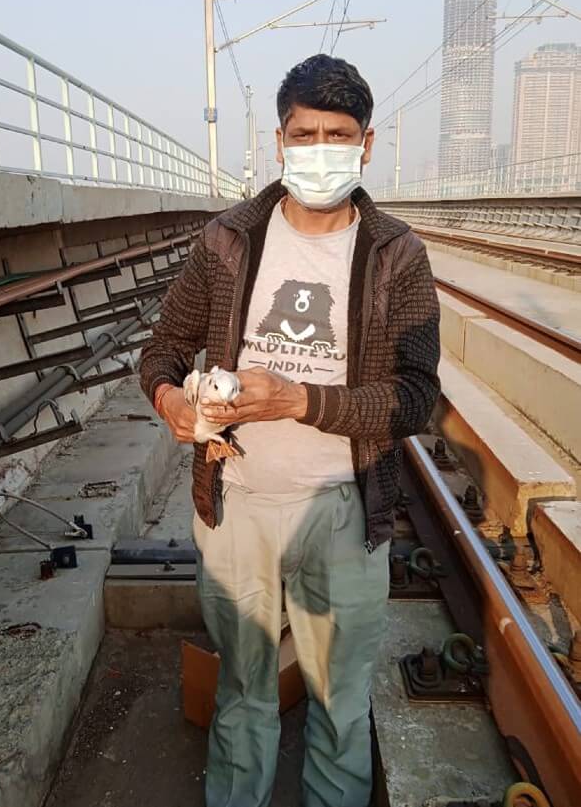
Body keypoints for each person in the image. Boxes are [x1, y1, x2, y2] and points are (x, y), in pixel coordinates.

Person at [139, 53, 441, 807]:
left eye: (337, 134)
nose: (320, 149)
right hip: (235, 501)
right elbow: (162, 349)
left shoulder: (398, 255)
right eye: (305, 134)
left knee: (340, 705)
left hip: (342, 509)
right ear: (281, 139)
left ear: (365, 144)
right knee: (242, 691)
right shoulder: (228, 240)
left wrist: (299, 401)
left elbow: (415, 397)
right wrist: (171, 401)